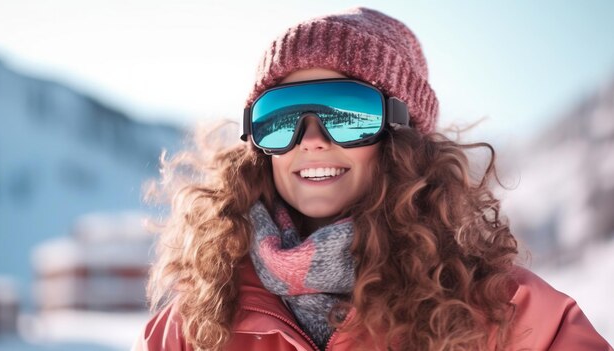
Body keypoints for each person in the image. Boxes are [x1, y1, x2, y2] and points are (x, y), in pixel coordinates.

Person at [132, 7, 612, 351]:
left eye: (347, 113)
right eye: (281, 117)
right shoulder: (192, 326)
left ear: (405, 140)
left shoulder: (514, 317)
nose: (311, 139)